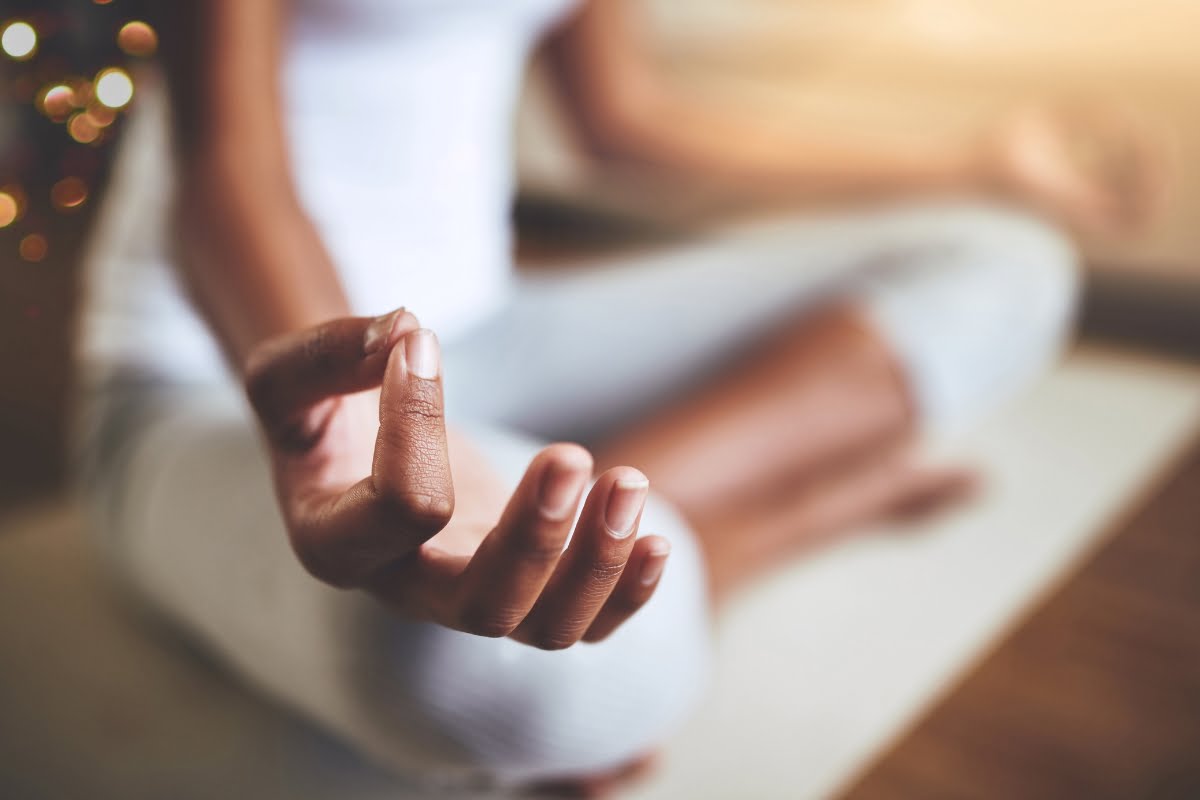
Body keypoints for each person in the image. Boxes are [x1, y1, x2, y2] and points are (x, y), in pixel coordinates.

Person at [75, 0, 1160, 793]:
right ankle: (763, 521)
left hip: (494, 333)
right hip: (213, 378)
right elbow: (230, 167)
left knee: (1004, 263)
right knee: (500, 681)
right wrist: (354, 433)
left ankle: (621, 530)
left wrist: (971, 159)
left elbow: (627, 119)